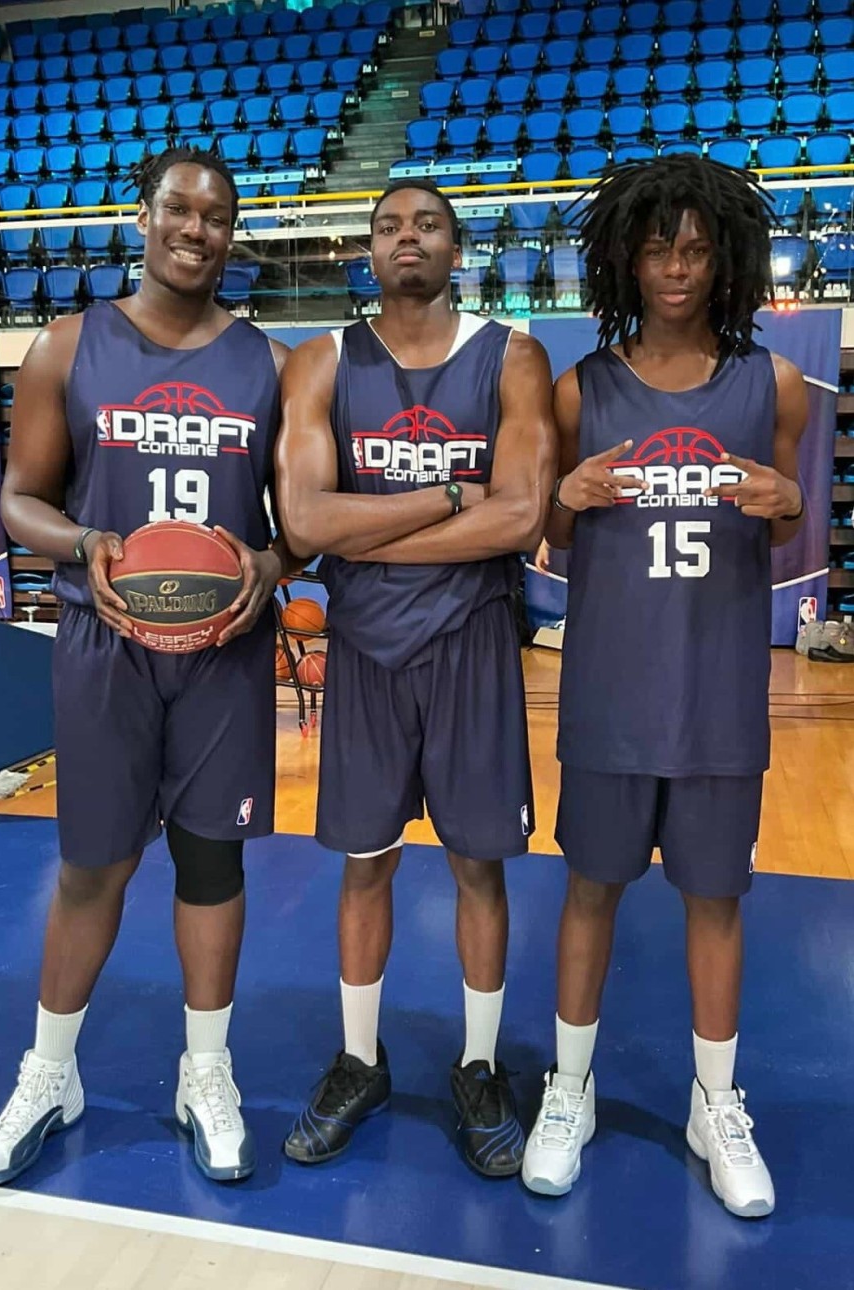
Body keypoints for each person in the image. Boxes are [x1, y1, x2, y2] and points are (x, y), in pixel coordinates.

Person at [0, 148, 292, 1187]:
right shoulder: (68, 347)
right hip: (103, 642)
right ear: (144, 216)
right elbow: (20, 498)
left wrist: (274, 560)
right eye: (178, 210)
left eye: (216, 216)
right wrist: (85, 544)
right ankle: (48, 1073)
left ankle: (207, 1072)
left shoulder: (270, 364)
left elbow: (298, 521)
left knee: (212, 863)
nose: (196, 230)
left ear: (232, 235)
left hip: (223, 654)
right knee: (91, 866)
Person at [523, 156, 808, 1217]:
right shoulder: (580, 389)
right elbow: (551, 536)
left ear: (724, 258)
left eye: (694, 249)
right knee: (588, 890)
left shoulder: (773, 386)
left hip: (717, 692)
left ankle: (714, 1103)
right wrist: (564, 492)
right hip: (608, 690)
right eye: (656, 248)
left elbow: (784, 528)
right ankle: (569, 1088)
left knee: (714, 900)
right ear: (624, 261)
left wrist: (786, 500)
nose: (676, 268)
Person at [276, 179, 556, 1176]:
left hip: (472, 641)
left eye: (427, 224)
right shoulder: (322, 359)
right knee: (366, 862)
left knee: (479, 864)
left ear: (456, 245)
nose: (407, 238)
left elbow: (520, 515)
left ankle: (478, 1066)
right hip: (366, 649)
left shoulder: (511, 355)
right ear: (367, 249)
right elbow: (303, 521)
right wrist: (444, 498)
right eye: (389, 226)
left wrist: (364, 531)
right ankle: (360, 1060)